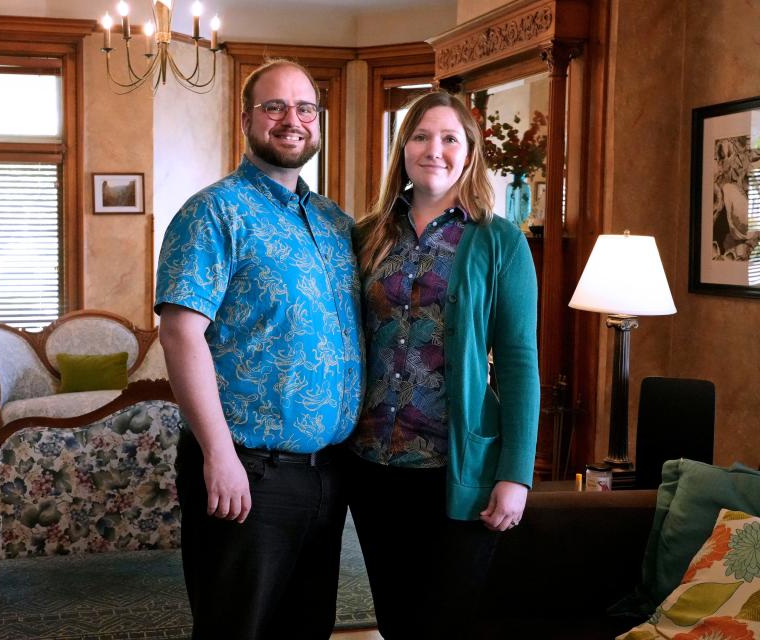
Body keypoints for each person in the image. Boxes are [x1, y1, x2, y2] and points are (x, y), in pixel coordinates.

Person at [154, 59, 362, 640]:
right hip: (247, 473)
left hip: (326, 476)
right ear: (246, 118)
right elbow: (180, 333)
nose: (290, 120)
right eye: (274, 106)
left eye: (304, 108)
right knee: (235, 628)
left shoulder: (334, 221)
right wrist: (218, 455)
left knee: (306, 629)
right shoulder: (214, 212)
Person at [346, 91, 540, 638]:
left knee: (443, 623)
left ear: (470, 151)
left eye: (450, 138)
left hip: (459, 469)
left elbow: (521, 361)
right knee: (395, 621)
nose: (436, 149)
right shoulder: (366, 236)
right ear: (403, 149)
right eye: (422, 136)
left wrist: (515, 474)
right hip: (372, 466)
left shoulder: (500, 242)